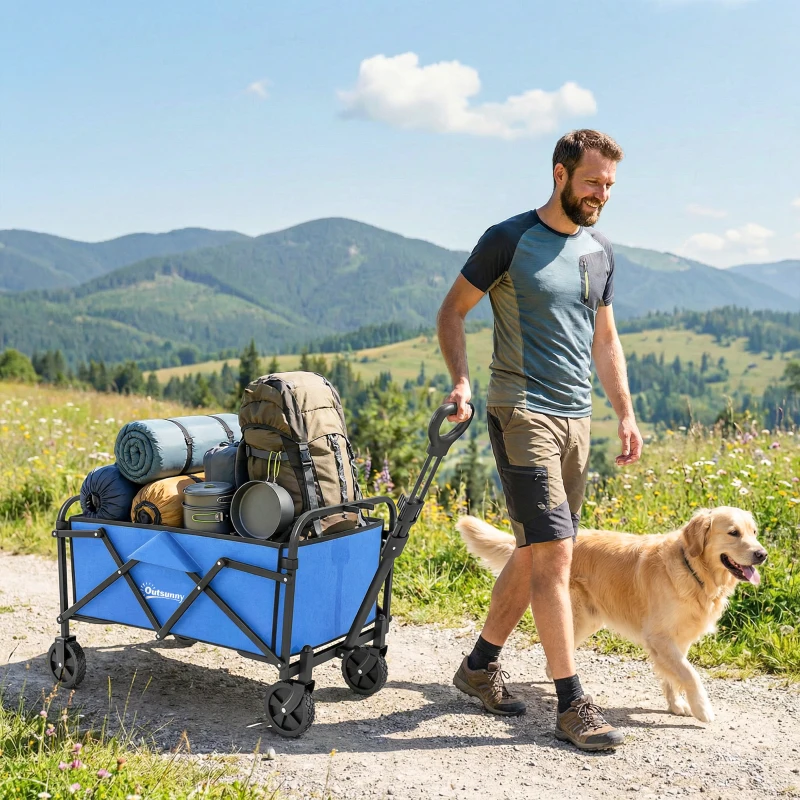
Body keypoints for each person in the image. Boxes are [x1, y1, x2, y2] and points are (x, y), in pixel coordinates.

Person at [436, 129, 643, 751]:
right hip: (520, 411)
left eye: (608, 185)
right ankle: (572, 702)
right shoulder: (509, 240)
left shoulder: (600, 251)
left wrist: (625, 414)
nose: (600, 195)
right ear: (560, 174)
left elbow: (605, 341)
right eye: (591, 182)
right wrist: (463, 381)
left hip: (577, 418)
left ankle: (477, 667)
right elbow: (452, 312)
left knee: (532, 552)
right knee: (556, 555)